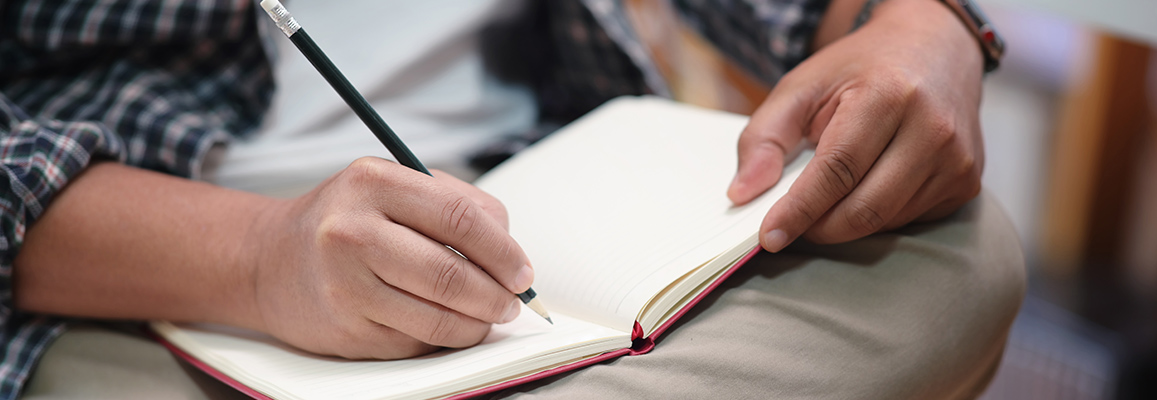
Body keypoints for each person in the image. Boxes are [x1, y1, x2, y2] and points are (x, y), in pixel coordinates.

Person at [2, 0, 1025, 398]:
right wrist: (254, 256)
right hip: (151, 258)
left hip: (544, 170)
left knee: (948, 248)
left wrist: (916, 26)